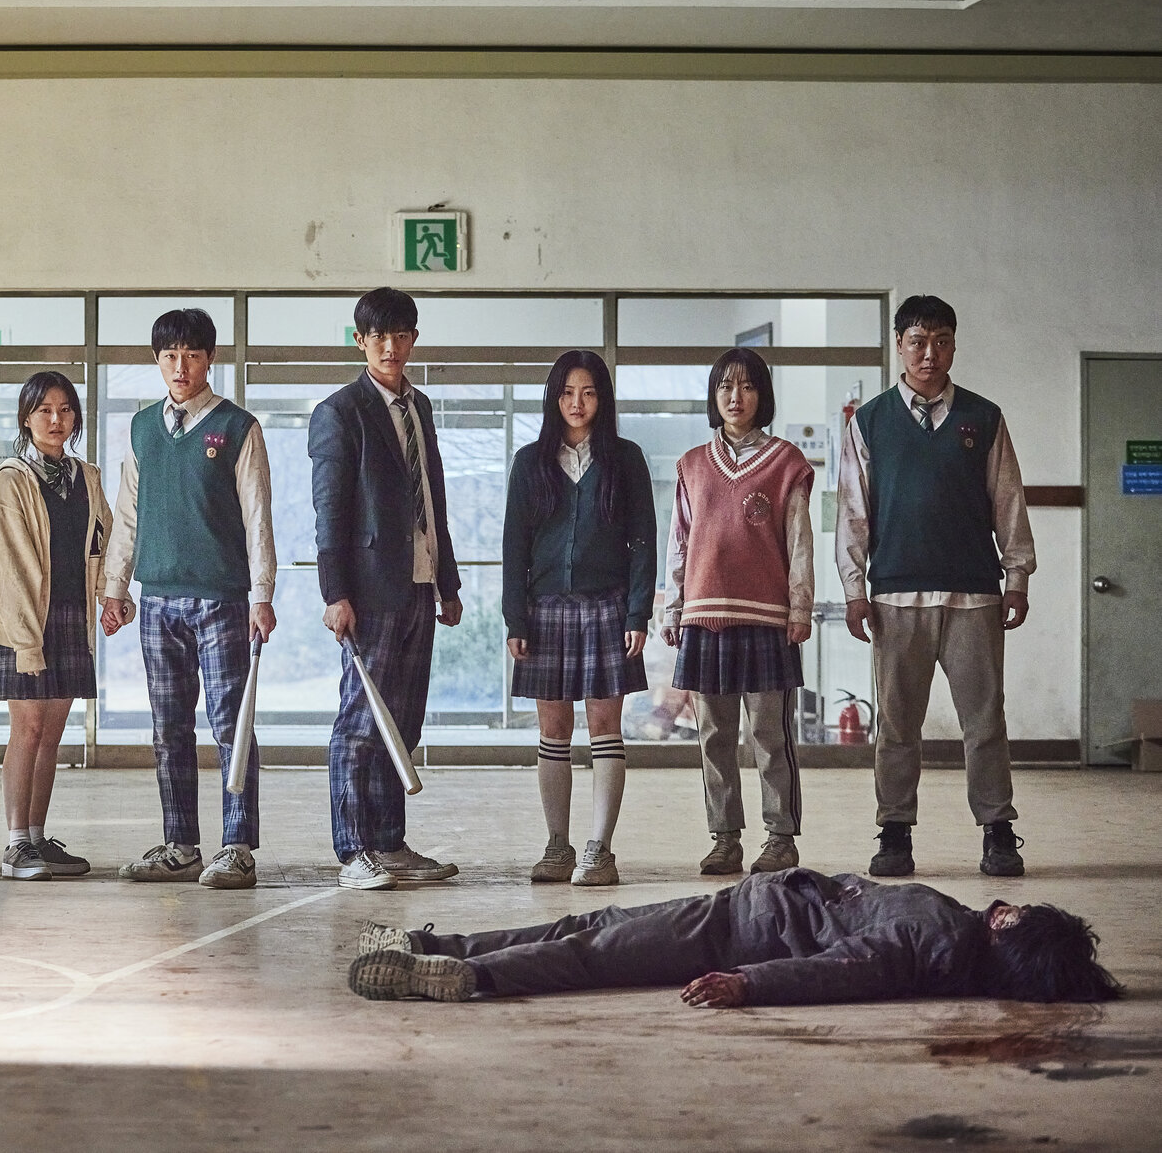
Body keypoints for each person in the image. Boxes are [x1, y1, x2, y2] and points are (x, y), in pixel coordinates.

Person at [837, 295, 1036, 878]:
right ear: (899, 345)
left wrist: (1017, 575)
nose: (930, 353)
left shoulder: (984, 417)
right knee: (898, 723)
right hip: (896, 597)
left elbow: (1009, 501)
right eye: (918, 341)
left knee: (985, 719)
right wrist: (854, 588)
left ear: (953, 345)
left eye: (941, 341)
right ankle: (894, 832)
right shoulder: (869, 421)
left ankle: (998, 831)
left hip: (975, 593)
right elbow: (853, 511)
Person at [346, 869, 1122, 1005]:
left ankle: (468, 976)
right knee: (589, 926)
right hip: (749, 910)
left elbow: (844, 968)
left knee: (592, 950)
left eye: (1018, 915)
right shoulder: (951, 939)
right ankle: (436, 945)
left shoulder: (936, 939)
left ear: (1006, 932)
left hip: (737, 929)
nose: (1005, 907)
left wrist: (749, 982)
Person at [103, 309, 277, 890]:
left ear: (211, 360)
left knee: (233, 725)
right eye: (170, 356)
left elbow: (258, 519)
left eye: (193, 355)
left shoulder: (237, 428)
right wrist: (115, 587)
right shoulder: (142, 429)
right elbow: (129, 515)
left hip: (224, 602)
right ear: (157, 362)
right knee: (168, 727)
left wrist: (262, 594)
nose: (181, 367)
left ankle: (237, 846)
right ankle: (180, 842)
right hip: (158, 603)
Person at [309, 288, 463, 891]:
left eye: (401, 336)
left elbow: (433, 500)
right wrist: (334, 592)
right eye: (378, 337)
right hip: (368, 591)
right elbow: (329, 510)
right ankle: (353, 851)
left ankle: (389, 844)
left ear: (414, 341)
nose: (391, 347)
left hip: (419, 585)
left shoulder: (419, 406)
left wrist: (446, 581)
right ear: (359, 341)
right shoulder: (340, 411)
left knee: (402, 722)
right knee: (358, 722)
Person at [502, 351, 657, 887]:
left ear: (602, 399)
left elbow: (644, 543)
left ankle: (600, 848)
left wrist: (639, 611)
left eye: (588, 393)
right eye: (567, 393)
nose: (577, 403)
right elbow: (514, 545)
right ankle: (557, 845)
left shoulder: (625, 459)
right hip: (545, 611)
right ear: (554, 398)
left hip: (609, 608)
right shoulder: (530, 462)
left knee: (605, 726)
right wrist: (514, 617)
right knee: (553, 729)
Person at [662, 348, 814, 877]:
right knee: (714, 736)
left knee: (771, 735)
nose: (735, 396)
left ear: (761, 395)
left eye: (747, 386)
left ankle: (780, 837)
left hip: (768, 618)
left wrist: (801, 606)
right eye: (726, 386)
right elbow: (678, 543)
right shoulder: (692, 464)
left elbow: (799, 541)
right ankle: (724, 836)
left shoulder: (787, 462)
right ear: (714, 394)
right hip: (703, 616)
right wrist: (673, 607)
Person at [0, 372, 115, 880]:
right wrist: (24, 639)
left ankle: (38, 837)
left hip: (70, 614)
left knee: (53, 732)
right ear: (26, 418)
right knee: (28, 729)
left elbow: (102, 541)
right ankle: (16, 843)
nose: (56, 420)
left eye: (65, 410)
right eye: (45, 411)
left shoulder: (89, 476)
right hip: (25, 619)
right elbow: (12, 569)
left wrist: (109, 597)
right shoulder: (11, 480)